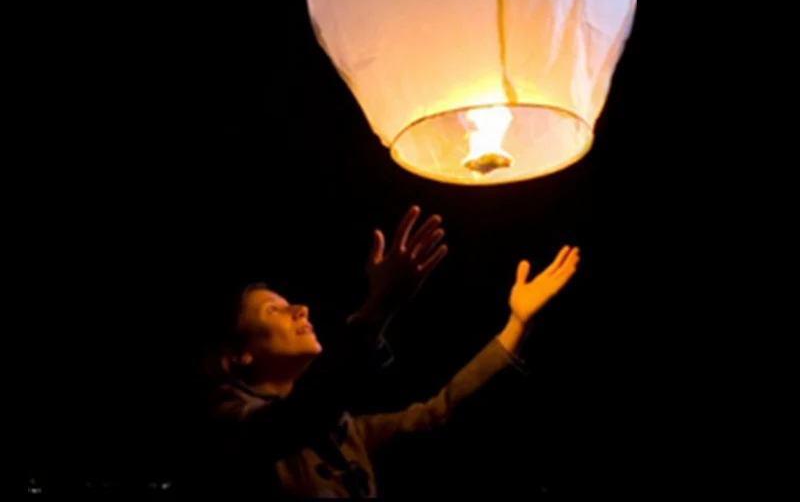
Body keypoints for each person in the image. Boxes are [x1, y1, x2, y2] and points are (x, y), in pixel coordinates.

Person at [194, 205, 580, 497]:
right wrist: (377, 310)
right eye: (273, 309)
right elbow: (289, 422)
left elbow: (438, 411)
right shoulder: (225, 428)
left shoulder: (344, 432)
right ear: (238, 355)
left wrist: (517, 324)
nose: (301, 309)